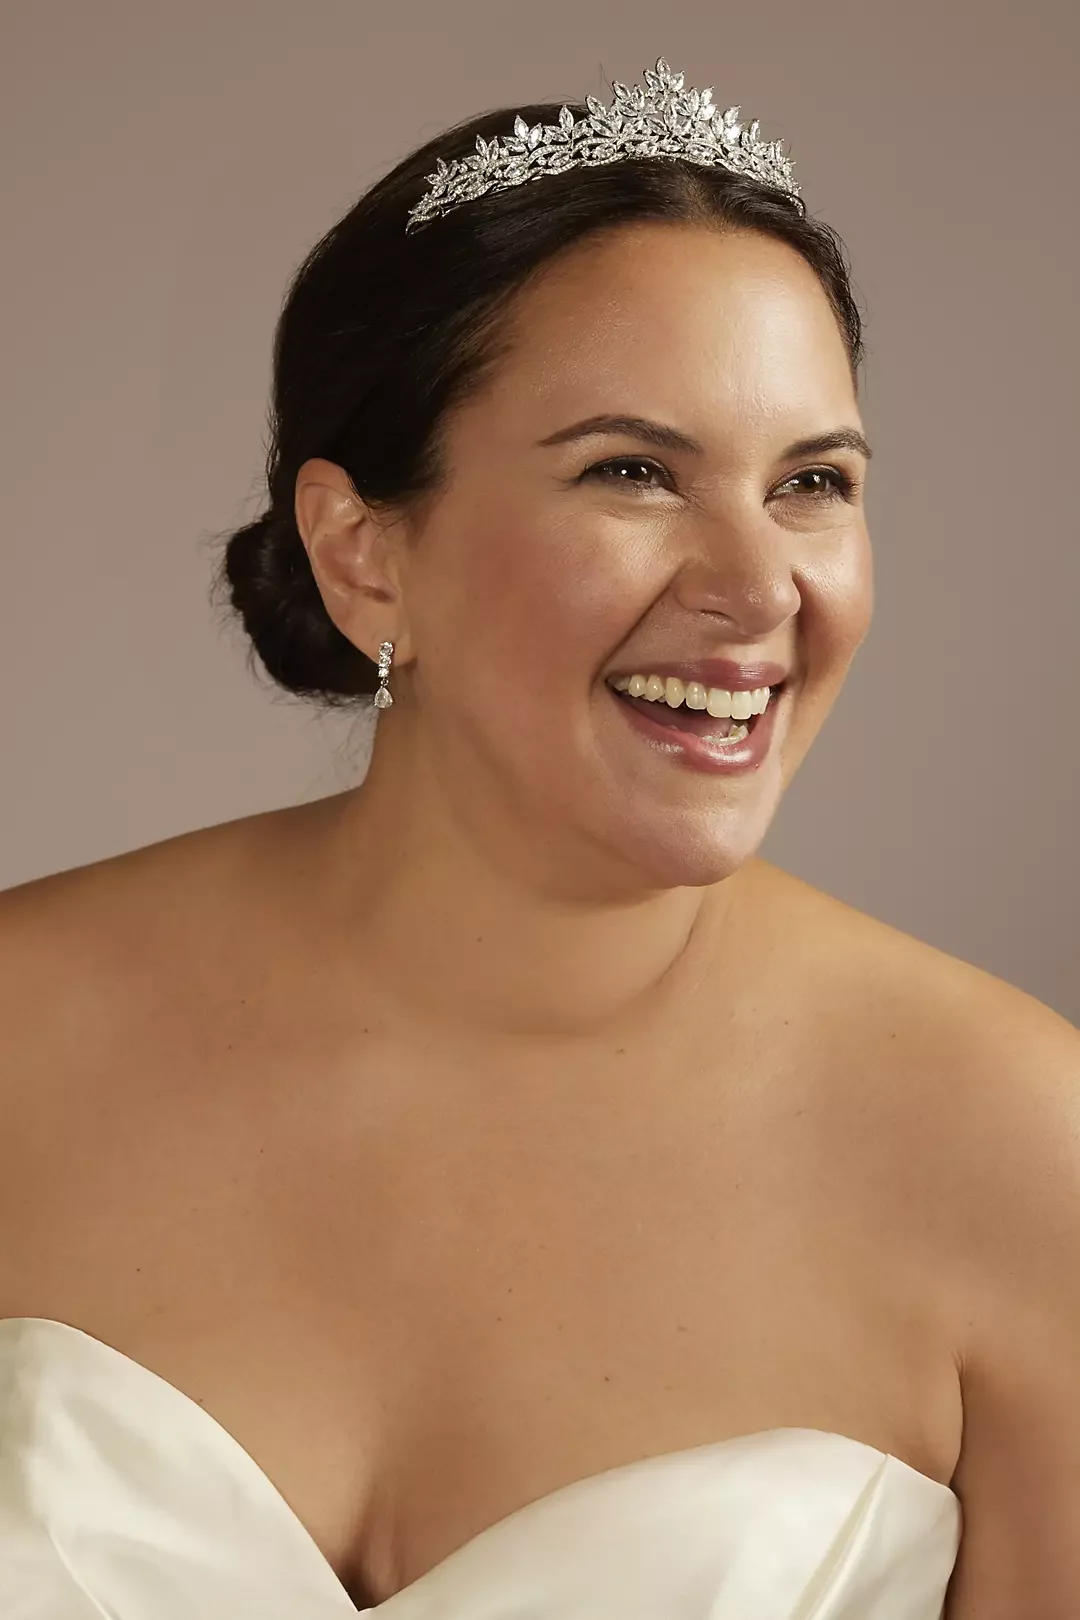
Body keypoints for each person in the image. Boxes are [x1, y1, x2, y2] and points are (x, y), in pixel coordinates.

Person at [0, 56, 1077, 1620]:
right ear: (363, 555)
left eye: (813, 485)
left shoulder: (1023, 1153)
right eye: (633, 471)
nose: (762, 586)